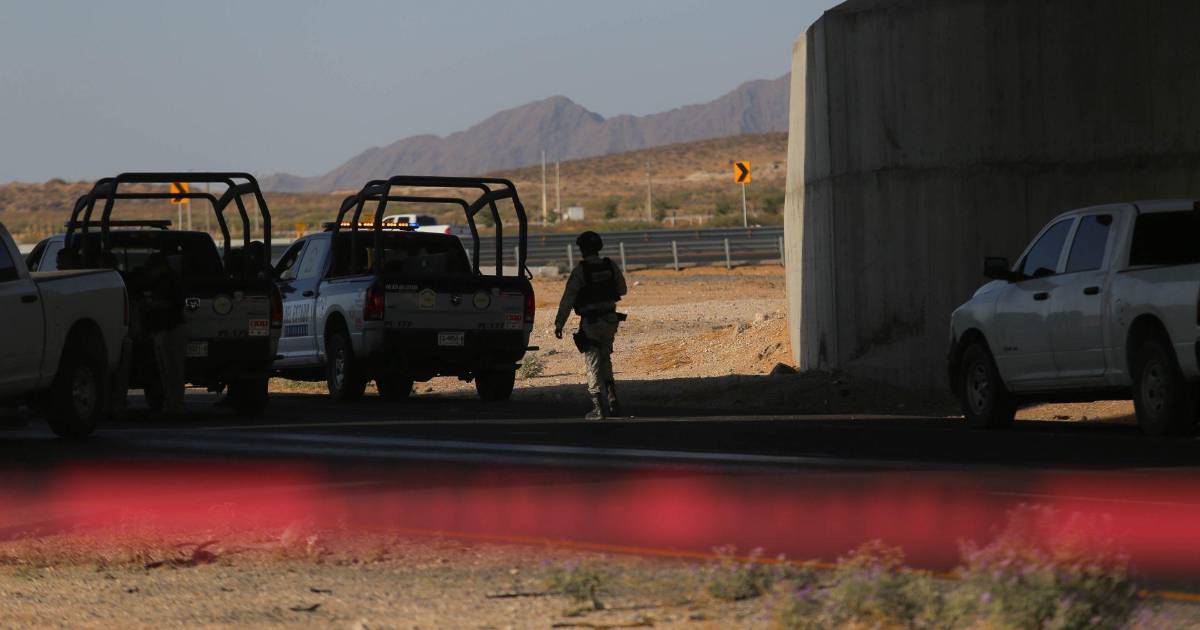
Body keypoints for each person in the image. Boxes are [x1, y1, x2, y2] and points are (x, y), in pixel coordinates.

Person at [554, 231, 628, 420]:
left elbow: (568, 300)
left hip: (591, 323)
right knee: (605, 359)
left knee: (592, 363)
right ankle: (612, 399)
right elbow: (622, 289)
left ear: (582, 249)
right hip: (610, 321)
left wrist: (559, 323)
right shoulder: (609, 265)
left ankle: (598, 408)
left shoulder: (581, 271)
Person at [142, 252, 187, 415]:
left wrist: (152, 305)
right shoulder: (169, 281)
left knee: (171, 370)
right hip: (168, 330)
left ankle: (174, 404)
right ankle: (173, 403)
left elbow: (170, 304)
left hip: (169, 330)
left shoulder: (167, 283)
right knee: (170, 370)